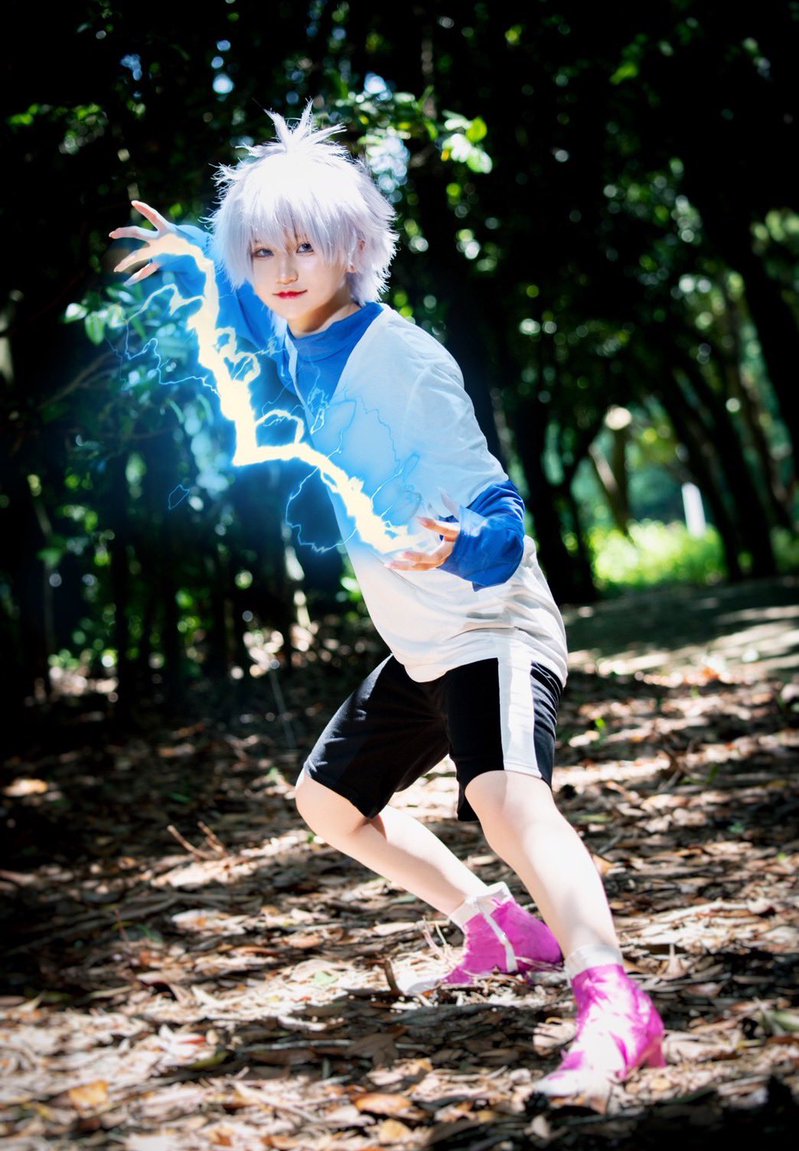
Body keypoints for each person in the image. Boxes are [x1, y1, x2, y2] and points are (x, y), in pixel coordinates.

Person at [109, 105, 665, 1097]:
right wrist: (198, 256)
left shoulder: (399, 360)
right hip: (422, 645)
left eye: (304, 245)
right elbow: (246, 302)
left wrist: (465, 546)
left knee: (504, 801)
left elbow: (501, 510)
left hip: (489, 622)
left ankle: (614, 1001)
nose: (282, 269)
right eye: (262, 249)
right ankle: (498, 928)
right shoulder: (296, 330)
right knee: (327, 804)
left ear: (353, 246)